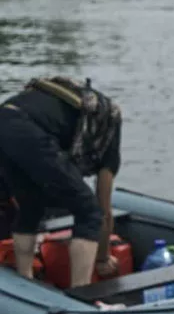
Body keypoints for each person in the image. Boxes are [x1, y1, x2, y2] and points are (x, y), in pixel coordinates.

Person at [0, 76, 121, 287]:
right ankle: (80, 293)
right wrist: (103, 258)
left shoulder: (82, 110)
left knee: (31, 206)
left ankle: (24, 282)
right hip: (26, 129)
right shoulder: (109, 133)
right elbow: (103, 209)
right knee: (88, 212)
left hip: (5, 116)